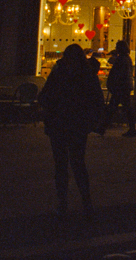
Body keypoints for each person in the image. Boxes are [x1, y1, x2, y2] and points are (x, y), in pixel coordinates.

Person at [37, 43, 104, 217]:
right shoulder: (87, 75)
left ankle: (63, 203)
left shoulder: (59, 73)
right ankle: (86, 203)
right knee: (78, 163)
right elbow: (97, 99)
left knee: (61, 165)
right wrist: (93, 120)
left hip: (58, 123)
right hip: (78, 124)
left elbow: (45, 96)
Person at [107, 40, 136, 137]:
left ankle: (103, 126)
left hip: (121, 86)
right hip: (124, 86)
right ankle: (132, 128)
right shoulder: (127, 58)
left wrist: (112, 83)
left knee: (114, 106)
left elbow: (117, 73)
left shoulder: (121, 59)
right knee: (124, 106)